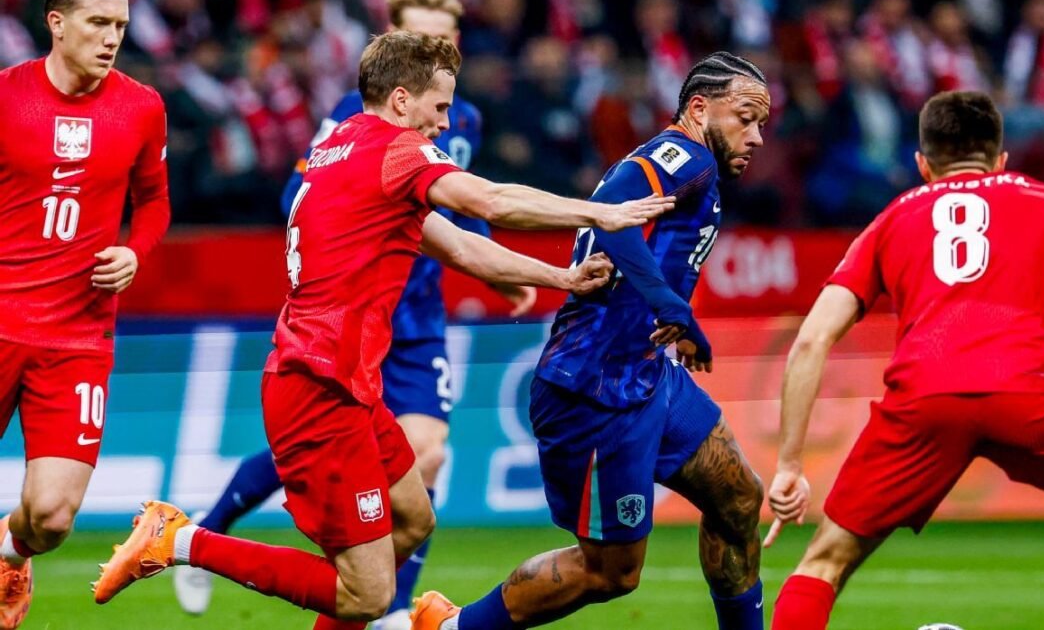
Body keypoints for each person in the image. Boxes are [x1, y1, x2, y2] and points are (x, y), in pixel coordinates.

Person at [92, 31, 673, 629]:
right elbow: (491, 202)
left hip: (344, 384)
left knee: (414, 520)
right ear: (401, 99)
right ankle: (181, 541)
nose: (445, 124)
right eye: (439, 107)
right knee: (366, 596)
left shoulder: (341, 146)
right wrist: (600, 212)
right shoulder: (398, 152)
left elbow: (462, 248)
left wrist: (564, 278)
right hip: (318, 388)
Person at [170, 0, 535, 628]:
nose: (437, 44)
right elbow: (300, 191)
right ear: (395, 41)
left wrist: (493, 267)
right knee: (334, 440)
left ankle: (387, 609)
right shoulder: (354, 117)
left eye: (446, 34)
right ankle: (209, 530)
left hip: (415, 316)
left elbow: (458, 203)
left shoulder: (461, 118)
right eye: (423, 33)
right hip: (352, 310)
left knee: (426, 461)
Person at [410, 52, 771, 630]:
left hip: (646, 372)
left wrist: (670, 314)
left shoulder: (690, 164)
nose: (755, 137)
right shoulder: (687, 155)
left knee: (738, 500)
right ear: (701, 109)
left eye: (761, 124)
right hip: (596, 388)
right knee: (611, 573)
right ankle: (451, 627)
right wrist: (670, 304)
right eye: (745, 118)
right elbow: (608, 210)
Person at [764, 91, 1044, 630]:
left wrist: (789, 464)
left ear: (923, 164)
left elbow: (810, 341)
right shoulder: (1039, 197)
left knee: (825, 560)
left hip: (926, 398)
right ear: (1000, 160)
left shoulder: (892, 218)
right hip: (1029, 389)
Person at [0, 0, 170, 627]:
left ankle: (10, 551)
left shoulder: (141, 107)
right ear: (57, 22)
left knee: (51, 518)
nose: (111, 38)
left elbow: (154, 201)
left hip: (78, 336)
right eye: (98, 22)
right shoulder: (8, 96)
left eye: (120, 25)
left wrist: (136, 250)